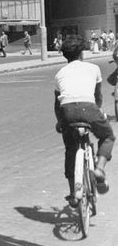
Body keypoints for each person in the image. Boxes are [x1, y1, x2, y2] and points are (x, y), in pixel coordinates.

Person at [54, 35, 113, 206]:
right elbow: (98, 96)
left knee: (70, 149)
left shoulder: (59, 74)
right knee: (108, 136)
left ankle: (73, 192)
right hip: (89, 109)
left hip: (67, 113)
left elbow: (57, 104)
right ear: (82, 53)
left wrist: (60, 122)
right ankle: (100, 169)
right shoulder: (93, 68)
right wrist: (98, 111)